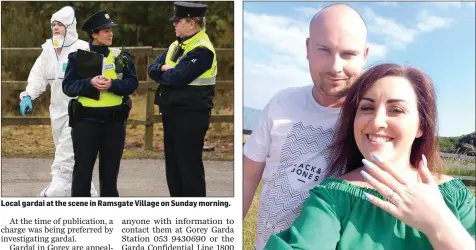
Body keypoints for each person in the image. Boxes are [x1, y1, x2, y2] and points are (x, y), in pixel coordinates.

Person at [264, 63, 476, 250]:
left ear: (421, 125)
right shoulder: (333, 198)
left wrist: (439, 224)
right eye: (367, 107)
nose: (376, 122)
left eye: (396, 110)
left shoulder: (453, 197)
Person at [242, 4, 369, 249]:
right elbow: (247, 177)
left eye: (348, 54)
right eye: (324, 50)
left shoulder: (370, 120)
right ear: (308, 48)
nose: (335, 67)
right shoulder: (281, 102)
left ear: (364, 55)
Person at [19, 6, 98, 197]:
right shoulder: (48, 51)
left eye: (60, 25)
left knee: (65, 155)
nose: (55, 28)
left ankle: (52, 193)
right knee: (73, 157)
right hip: (57, 112)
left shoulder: (83, 49)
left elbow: (95, 80)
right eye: (53, 24)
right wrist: (28, 94)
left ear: (69, 28)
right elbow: (38, 75)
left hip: (79, 112)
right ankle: (90, 194)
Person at [62, 10, 138, 197]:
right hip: (86, 123)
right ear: (94, 34)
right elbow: (68, 87)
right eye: (105, 30)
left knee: (110, 176)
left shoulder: (121, 57)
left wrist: (113, 85)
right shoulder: (78, 57)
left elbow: (132, 83)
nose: (110, 33)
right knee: (82, 174)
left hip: (114, 123)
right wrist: (89, 83)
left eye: (111, 30)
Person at [147, 2, 217, 197]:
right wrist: (163, 69)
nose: (174, 25)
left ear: (192, 23)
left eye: (178, 21)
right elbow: (151, 68)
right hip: (172, 113)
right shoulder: (176, 45)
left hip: (191, 115)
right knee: (174, 167)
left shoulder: (202, 49)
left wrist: (167, 72)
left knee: (188, 167)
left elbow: (177, 78)